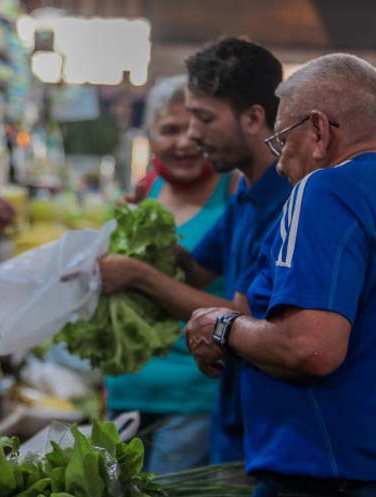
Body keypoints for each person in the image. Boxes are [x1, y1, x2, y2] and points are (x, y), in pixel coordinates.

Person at [185, 53, 376, 497]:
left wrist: (221, 326)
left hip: (337, 476)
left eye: (281, 141)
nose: (279, 164)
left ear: (318, 130)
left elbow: (310, 347)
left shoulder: (326, 189)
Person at [99, 37, 290, 462]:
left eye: (203, 118)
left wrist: (136, 273)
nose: (193, 135)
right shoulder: (247, 196)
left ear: (255, 119)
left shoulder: (282, 203)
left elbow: (239, 315)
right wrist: (142, 234)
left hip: (255, 424)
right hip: (229, 411)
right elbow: (196, 270)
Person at [105, 75, 234, 473]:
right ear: (151, 136)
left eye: (192, 130)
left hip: (194, 397)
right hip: (126, 389)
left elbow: (239, 311)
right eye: (169, 130)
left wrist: (137, 273)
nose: (182, 143)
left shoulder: (235, 194)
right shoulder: (145, 192)